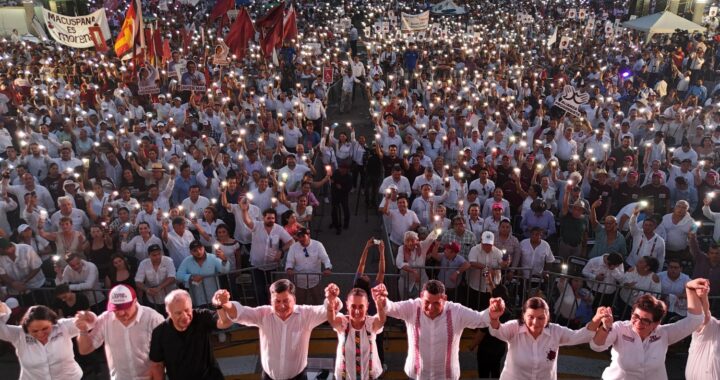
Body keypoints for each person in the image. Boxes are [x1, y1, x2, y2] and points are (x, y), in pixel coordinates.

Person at [371, 280, 496, 379]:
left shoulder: (457, 311)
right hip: (416, 376)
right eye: (427, 302)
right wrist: (382, 300)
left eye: (437, 303)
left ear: (445, 299)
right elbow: (390, 307)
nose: (431, 308)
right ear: (421, 297)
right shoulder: (412, 307)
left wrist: (494, 310)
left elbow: (481, 319)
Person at [218, 280, 338, 380]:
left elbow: (329, 309)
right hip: (268, 377)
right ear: (271, 301)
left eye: (286, 301)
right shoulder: (262, 315)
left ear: (294, 299)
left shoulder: (306, 315)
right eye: (277, 301)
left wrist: (331, 300)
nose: (281, 306)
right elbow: (240, 313)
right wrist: (226, 303)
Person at [591, 278, 708, 380]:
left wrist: (690, 289)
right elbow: (596, 346)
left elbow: (695, 320)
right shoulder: (619, 328)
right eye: (635, 316)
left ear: (656, 323)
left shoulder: (664, 333)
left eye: (645, 320)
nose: (638, 322)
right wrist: (606, 327)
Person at [489, 297, 609, 380]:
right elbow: (498, 331)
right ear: (523, 316)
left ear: (548, 317)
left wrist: (597, 318)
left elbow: (579, 336)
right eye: (530, 317)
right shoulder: (514, 327)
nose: (535, 323)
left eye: (541, 318)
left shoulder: (556, 331)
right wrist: (494, 318)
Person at [74, 284, 165, 380]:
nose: (121, 313)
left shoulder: (153, 318)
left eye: (125, 307)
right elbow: (85, 350)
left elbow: (163, 357)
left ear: (135, 301)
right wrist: (83, 330)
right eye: (116, 309)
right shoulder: (106, 319)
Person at [149, 289, 227, 380]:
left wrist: (219, 306)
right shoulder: (159, 333)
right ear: (168, 313)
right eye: (178, 313)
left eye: (187, 310)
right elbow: (157, 365)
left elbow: (225, 323)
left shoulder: (202, 316)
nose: (185, 316)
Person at [0, 301, 83, 379]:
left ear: (52, 323)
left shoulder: (63, 327)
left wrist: (85, 316)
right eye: (34, 331)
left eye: (45, 328)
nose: (40, 334)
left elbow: (90, 321)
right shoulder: (19, 334)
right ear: (26, 329)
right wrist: (3, 310)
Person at [238, 199, 293, 305]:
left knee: (272, 290)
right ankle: (261, 309)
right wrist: (244, 210)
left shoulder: (279, 229)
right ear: (263, 218)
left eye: (273, 218)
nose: (271, 220)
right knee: (258, 290)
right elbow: (247, 221)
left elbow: (291, 241)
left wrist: (281, 251)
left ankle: (272, 308)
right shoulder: (257, 226)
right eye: (268, 218)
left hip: (272, 266)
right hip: (256, 266)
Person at [326, 286, 386, 380]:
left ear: (367, 307)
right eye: (353, 306)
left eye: (361, 306)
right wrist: (331, 302)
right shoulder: (343, 323)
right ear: (347, 305)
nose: (357, 311)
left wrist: (379, 304)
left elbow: (381, 320)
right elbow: (332, 320)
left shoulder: (370, 324)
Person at [285, 227, 332, 304]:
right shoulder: (293, 247)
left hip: (315, 280)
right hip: (299, 281)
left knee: (317, 302)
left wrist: (328, 268)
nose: (301, 239)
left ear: (309, 235)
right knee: (300, 303)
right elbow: (289, 261)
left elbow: (325, 259)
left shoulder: (318, 245)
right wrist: (289, 269)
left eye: (303, 236)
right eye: (299, 237)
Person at [176, 240, 230, 307]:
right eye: (195, 250)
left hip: (214, 296)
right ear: (191, 252)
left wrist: (224, 260)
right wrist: (191, 277)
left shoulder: (212, 257)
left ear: (204, 248)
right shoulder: (187, 260)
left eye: (200, 248)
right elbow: (178, 276)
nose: (199, 252)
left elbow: (225, 270)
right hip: (197, 298)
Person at [135, 244, 177, 313]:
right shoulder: (143, 263)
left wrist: (159, 287)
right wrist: (147, 289)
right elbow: (138, 281)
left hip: (170, 297)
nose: (157, 257)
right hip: (152, 299)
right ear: (149, 255)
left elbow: (172, 277)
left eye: (159, 254)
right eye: (154, 255)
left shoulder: (168, 260)